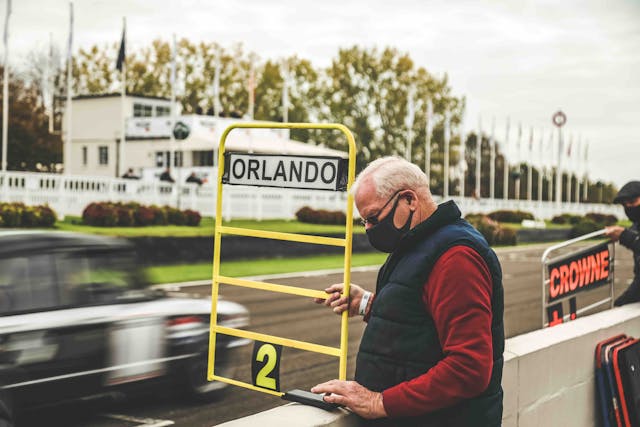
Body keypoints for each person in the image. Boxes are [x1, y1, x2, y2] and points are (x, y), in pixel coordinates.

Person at [312, 156, 504, 426]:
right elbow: (419, 316)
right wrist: (367, 303)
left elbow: (469, 367)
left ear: (409, 200)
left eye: (373, 217)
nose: (368, 228)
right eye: (363, 221)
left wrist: (379, 402)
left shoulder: (456, 257)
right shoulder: (421, 241)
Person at [605, 181, 640, 306]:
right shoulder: (636, 227)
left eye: (632, 202)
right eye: (625, 205)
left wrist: (625, 236)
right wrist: (624, 301)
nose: (629, 207)